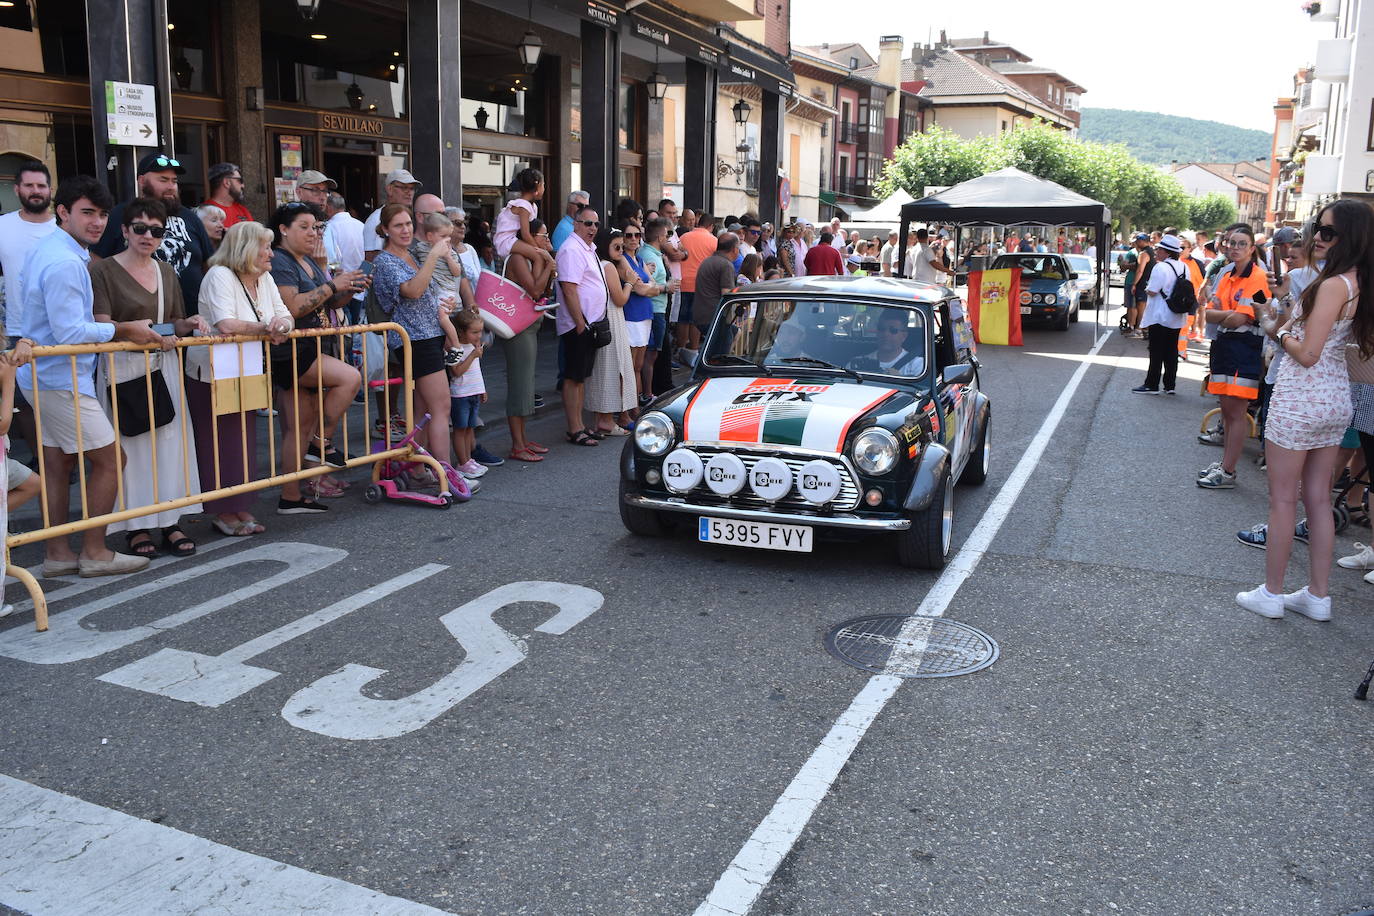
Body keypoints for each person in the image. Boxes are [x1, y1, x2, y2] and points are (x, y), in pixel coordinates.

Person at [17, 175, 164, 577]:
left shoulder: (52, 249)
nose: (97, 222)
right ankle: (95, 552)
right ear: (63, 212)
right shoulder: (65, 260)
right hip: (60, 378)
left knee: (58, 464)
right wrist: (124, 328)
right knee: (110, 459)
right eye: (87, 213)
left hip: (45, 376)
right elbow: (71, 333)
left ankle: (59, 553)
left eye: (101, 214)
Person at [1236, 200, 1374, 620]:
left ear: (1349, 237)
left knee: (1282, 500)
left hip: (1302, 398)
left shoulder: (1333, 285)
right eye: (1318, 228)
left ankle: (1272, 593)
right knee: (1316, 499)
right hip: (1334, 399)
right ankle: (1317, 596)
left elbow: (1308, 353)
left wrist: (1274, 330)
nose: (1317, 237)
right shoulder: (1357, 282)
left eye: (1327, 232)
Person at [90, 196, 210, 556]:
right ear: (125, 230)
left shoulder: (166, 271)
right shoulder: (102, 271)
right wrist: (132, 331)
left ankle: (169, 520)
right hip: (122, 368)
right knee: (131, 448)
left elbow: (171, 319)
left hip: (163, 365)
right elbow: (99, 325)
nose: (148, 236)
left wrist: (186, 324)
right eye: (140, 228)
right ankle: (136, 526)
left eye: (155, 230)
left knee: (170, 445)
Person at [184, 221, 294, 536]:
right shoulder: (219, 275)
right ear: (247, 249)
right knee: (218, 442)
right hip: (213, 373)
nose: (271, 254)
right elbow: (226, 323)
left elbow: (285, 314)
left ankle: (240, 503)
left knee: (243, 441)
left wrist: (281, 326)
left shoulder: (265, 278)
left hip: (246, 368)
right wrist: (269, 329)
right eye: (266, 247)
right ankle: (222, 509)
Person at [370, 204, 457, 473]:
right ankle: (445, 473)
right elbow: (413, 291)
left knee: (423, 411)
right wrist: (433, 257)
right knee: (441, 407)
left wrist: (443, 307)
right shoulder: (384, 261)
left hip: (429, 334)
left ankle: (417, 470)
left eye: (408, 223)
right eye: (398, 225)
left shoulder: (411, 255)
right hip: (414, 340)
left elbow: (426, 292)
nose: (406, 230)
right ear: (385, 229)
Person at [95, 152, 214, 315]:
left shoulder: (190, 217)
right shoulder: (120, 215)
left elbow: (209, 265)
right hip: (136, 326)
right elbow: (96, 264)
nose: (171, 186)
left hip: (194, 322)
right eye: (163, 180)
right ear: (142, 181)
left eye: (174, 181)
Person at [1197, 225, 1271, 490]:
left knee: (1236, 413)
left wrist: (1223, 314)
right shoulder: (1226, 272)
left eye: (1242, 244)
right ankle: (1226, 464)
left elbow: (1241, 317)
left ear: (1252, 248)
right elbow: (1210, 312)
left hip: (1244, 348)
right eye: (1231, 243)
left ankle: (1228, 470)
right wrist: (1224, 315)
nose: (1235, 247)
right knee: (1227, 411)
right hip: (1225, 345)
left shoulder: (1259, 277)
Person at [500, 217, 552, 464]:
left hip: (530, 325)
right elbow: (534, 290)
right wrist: (548, 265)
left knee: (527, 384)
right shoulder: (518, 258)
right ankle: (517, 444)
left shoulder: (533, 258)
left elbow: (546, 291)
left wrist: (546, 264)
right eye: (544, 235)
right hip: (518, 328)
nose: (547, 240)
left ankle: (523, 438)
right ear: (530, 237)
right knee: (519, 385)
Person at [556, 206, 607, 446]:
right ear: (576, 224)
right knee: (573, 377)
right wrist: (579, 324)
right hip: (579, 325)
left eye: (596, 224)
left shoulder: (588, 248)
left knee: (581, 377)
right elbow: (569, 288)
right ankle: (574, 428)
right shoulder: (571, 249)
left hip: (590, 323)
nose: (593, 228)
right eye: (587, 223)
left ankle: (580, 425)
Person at [587, 228, 639, 436]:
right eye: (616, 246)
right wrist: (629, 284)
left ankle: (605, 419)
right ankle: (606, 420)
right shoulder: (607, 266)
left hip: (605, 317)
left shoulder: (602, 263)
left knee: (605, 369)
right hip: (612, 318)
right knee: (613, 368)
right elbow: (620, 299)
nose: (621, 250)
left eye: (622, 246)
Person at [0, 160, 57, 343]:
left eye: (41, 185)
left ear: (50, 189)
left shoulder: (65, 228)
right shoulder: (3, 226)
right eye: (29, 185)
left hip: (60, 327)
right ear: (17, 189)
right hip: (18, 329)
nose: (36, 190)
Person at [1131, 234, 1187, 395]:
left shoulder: (1160, 267)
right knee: (1171, 350)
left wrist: (1147, 288)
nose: (1156, 252)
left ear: (1167, 252)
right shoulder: (1184, 267)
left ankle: (1152, 384)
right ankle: (1170, 385)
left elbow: (1153, 290)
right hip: (1176, 315)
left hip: (1160, 315)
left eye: (1159, 249)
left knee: (1156, 350)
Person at [494, 168, 557, 299]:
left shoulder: (531, 206)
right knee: (538, 256)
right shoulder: (523, 206)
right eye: (544, 184)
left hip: (514, 238)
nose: (545, 188)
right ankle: (535, 285)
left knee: (538, 256)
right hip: (506, 239)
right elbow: (527, 233)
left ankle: (537, 285)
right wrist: (538, 249)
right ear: (538, 186)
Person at [621, 221, 661, 405]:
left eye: (637, 235)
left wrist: (648, 287)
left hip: (645, 314)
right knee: (629, 366)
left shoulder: (640, 260)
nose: (633, 239)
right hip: (631, 314)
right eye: (629, 235)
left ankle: (634, 406)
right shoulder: (622, 259)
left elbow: (653, 286)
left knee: (638, 365)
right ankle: (627, 408)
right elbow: (644, 289)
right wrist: (648, 287)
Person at [447, 309, 488, 480]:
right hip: (460, 395)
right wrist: (472, 355)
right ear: (461, 332)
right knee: (460, 429)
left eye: (480, 332)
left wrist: (482, 389)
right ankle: (462, 463)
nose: (479, 336)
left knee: (469, 428)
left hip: (472, 393)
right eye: (475, 332)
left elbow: (475, 371)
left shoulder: (474, 347)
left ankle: (469, 460)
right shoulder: (454, 348)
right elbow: (456, 371)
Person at [639, 218, 674, 401]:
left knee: (651, 354)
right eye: (668, 234)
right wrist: (667, 287)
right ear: (661, 237)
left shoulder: (651, 254)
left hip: (657, 309)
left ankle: (646, 393)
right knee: (650, 355)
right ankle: (647, 394)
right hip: (654, 310)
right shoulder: (650, 256)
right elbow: (646, 285)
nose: (669, 238)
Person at [677, 213, 719, 359]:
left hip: (682, 282)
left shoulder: (684, 237)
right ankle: (693, 350)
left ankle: (680, 348)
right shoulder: (713, 240)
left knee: (682, 318)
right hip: (701, 285)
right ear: (711, 226)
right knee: (696, 319)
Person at [322, 192, 366, 323]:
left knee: (344, 332)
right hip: (359, 285)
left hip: (339, 287)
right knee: (353, 329)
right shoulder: (361, 225)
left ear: (329, 208)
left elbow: (330, 259)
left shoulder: (328, 227)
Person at [363, 168, 421, 261]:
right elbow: (370, 258)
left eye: (412, 188)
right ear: (389, 189)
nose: (409, 192)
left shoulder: (406, 214)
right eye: (404, 187)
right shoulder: (377, 218)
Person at [848, 310, 925, 376]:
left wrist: (900, 379)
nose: (886, 334)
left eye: (893, 330)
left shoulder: (918, 365)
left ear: (904, 336)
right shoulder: (858, 363)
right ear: (877, 332)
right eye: (881, 329)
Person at [696, 233, 741, 344]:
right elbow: (727, 294)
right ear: (734, 249)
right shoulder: (725, 265)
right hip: (715, 318)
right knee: (720, 356)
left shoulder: (707, 261)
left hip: (701, 316)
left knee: (736, 332)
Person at [202, 163, 253, 227]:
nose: (243, 186)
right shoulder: (205, 212)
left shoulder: (243, 210)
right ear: (227, 183)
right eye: (240, 180)